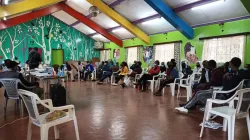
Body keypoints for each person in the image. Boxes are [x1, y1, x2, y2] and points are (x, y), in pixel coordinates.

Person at [175, 57, 243, 113]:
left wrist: (225, 74)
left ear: (231, 64)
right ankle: (187, 106)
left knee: (199, 94)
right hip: (222, 92)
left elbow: (225, 86)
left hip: (223, 95)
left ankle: (186, 107)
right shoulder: (236, 74)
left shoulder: (231, 75)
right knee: (199, 92)